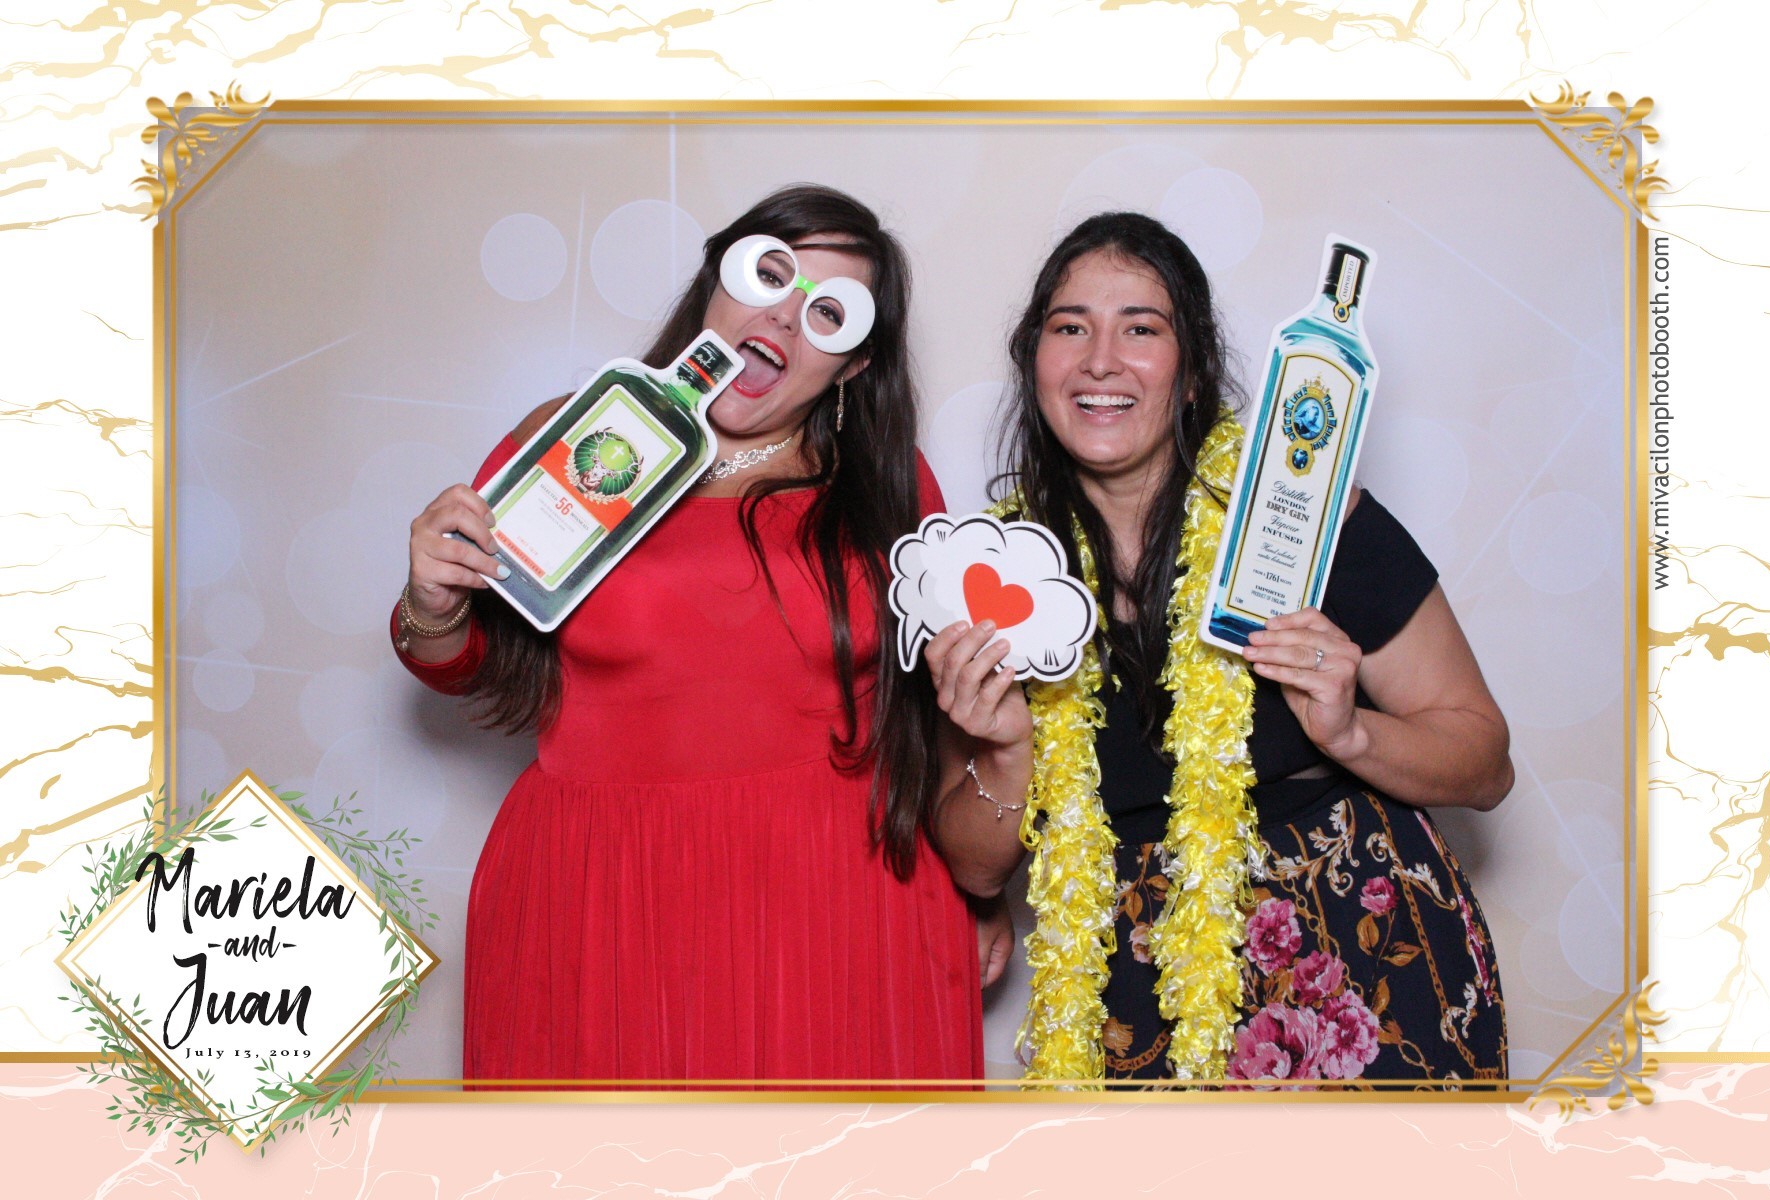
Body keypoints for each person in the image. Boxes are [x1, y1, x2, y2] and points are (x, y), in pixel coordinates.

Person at [394, 185, 1005, 1084]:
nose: (785, 319)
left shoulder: (887, 486)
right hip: (601, 888)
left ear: (854, 366)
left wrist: (979, 882)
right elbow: (470, 663)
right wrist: (433, 603)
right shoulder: (578, 442)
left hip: (839, 894)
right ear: (716, 283)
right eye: (769, 276)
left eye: (829, 314)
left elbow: (939, 707)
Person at [922, 212, 1510, 1084]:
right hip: (1128, 996)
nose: (1100, 360)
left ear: (1193, 371)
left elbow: (1486, 764)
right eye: (1070, 328)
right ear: (1034, 361)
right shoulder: (992, 573)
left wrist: (1350, 733)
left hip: (1357, 961)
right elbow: (975, 870)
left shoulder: (1304, 514)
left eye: (1141, 329)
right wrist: (1008, 753)